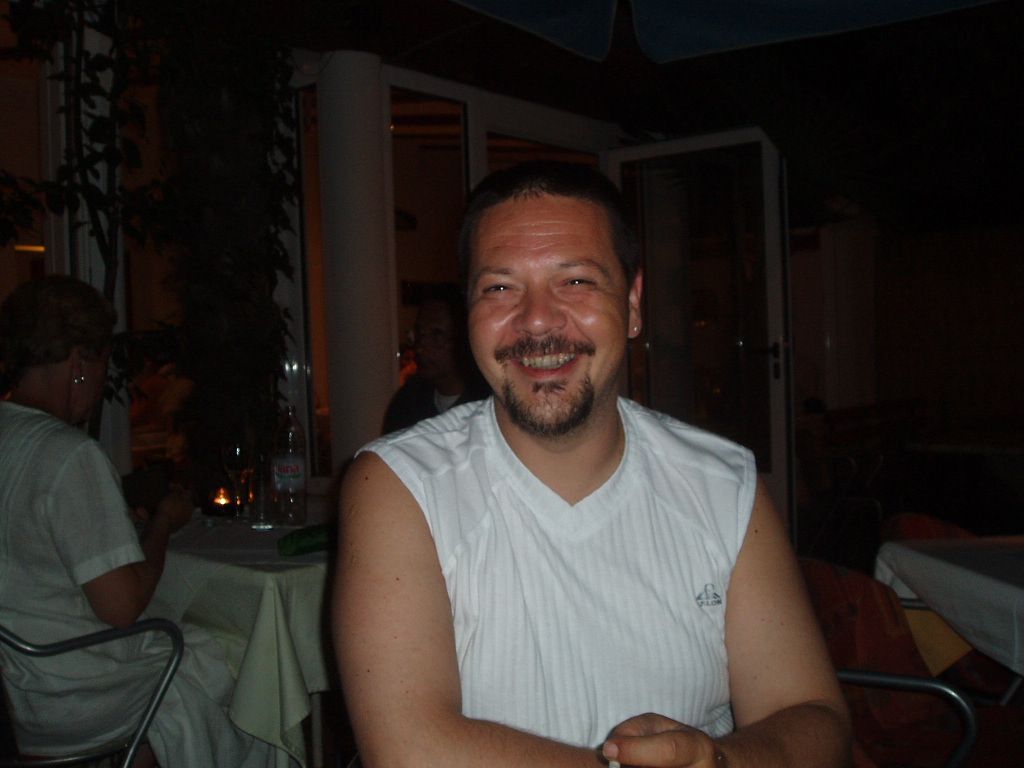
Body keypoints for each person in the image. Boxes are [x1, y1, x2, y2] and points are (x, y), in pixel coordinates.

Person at [334, 161, 851, 767]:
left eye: (576, 281)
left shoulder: (723, 485)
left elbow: (815, 717)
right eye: (499, 288)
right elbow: (409, 750)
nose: (536, 319)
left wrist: (717, 761)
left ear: (632, 304)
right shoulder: (401, 486)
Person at [0, 276, 275, 766]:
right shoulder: (68, 455)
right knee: (242, 657)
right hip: (72, 695)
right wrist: (163, 523)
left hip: (18, 694)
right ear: (79, 363)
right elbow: (122, 607)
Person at [381, 282, 488, 434]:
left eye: (437, 336)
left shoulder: (487, 405)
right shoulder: (408, 401)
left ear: (464, 338)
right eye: (419, 334)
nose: (420, 347)